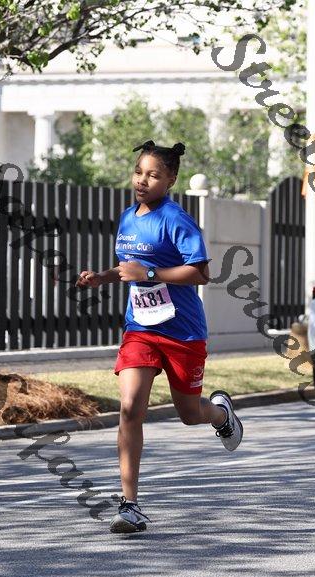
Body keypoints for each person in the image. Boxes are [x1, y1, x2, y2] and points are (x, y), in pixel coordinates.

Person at [76, 139, 243, 534]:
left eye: (153, 175)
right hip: (140, 329)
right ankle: (129, 505)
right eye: (139, 172)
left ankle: (221, 414)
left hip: (183, 332)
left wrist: (150, 274)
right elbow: (129, 267)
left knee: (190, 413)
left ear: (170, 180)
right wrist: (102, 277)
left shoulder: (176, 219)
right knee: (130, 408)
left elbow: (201, 273)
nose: (142, 180)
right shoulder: (128, 217)